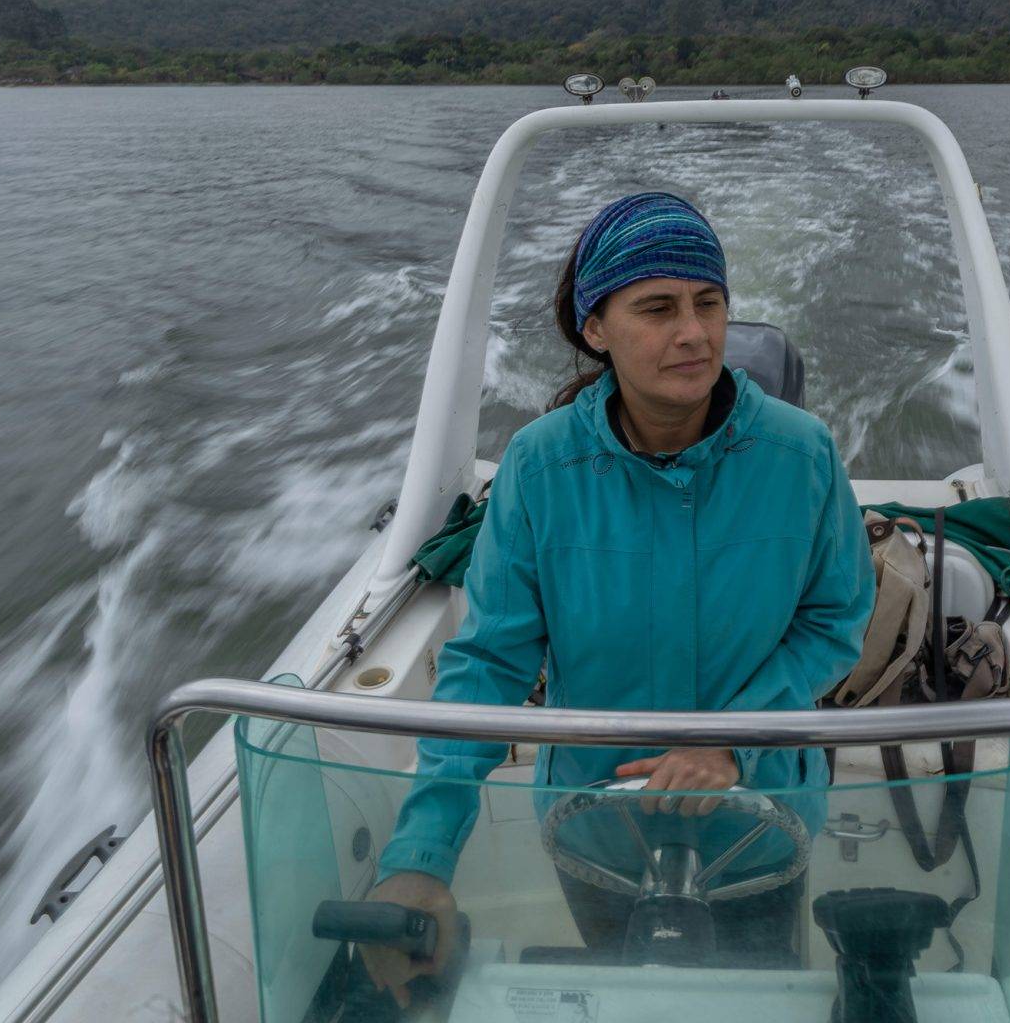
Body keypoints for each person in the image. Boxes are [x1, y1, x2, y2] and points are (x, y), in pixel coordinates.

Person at [360, 190, 875, 1004]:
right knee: (620, 995)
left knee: (757, 996)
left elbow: (834, 620)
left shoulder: (801, 453)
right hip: (595, 825)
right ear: (595, 329)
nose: (694, 332)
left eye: (709, 303)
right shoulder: (540, 467)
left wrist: (732, 744)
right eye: (658, 308)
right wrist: (420, 860)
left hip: (760, 815)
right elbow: (489, 664)